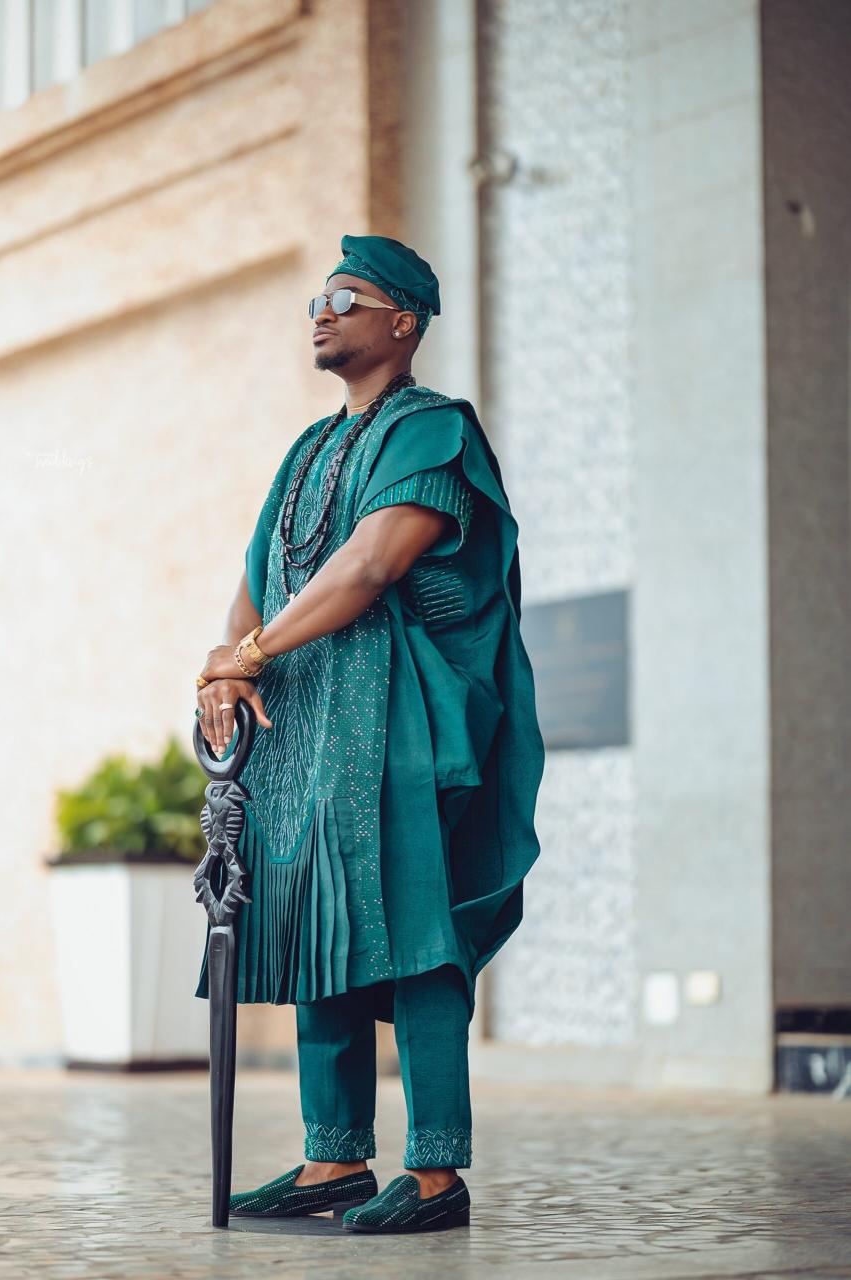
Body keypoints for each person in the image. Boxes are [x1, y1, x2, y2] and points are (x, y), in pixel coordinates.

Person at [193, 233, 544, 1234]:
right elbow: (258, 582)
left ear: (402, 321)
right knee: (321, 924)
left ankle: (435, 1171)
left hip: (401, 718)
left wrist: (246, 653)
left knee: (418, 935)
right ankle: (333, 1157)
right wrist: (227, 664)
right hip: (304, 724)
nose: (321, 310)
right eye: (317, 296)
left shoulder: (432, 430)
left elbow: (367, 568)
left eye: (345, 298)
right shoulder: (307, 449)